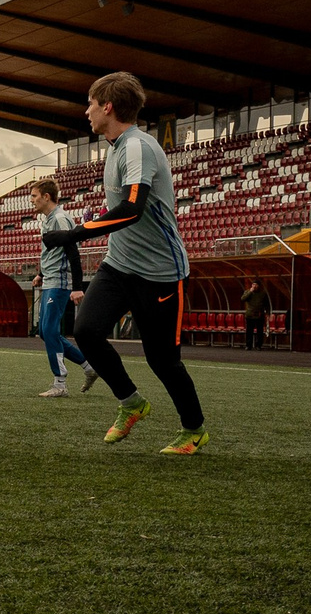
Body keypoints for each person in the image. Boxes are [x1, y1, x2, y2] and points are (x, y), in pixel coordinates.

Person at [43, 72, 207, 454]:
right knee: (86, 330)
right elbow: (120, 205)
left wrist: (74, 234)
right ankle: (132, 403)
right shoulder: (115, 147)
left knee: (162, 361)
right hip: (118, 265)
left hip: (161, 273)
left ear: (108, 107)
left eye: (90, 104)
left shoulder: (138, 147)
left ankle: (194, 429)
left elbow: (132, 209)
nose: (86, 112)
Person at [18, 177, 90, 396]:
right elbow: (53, 251)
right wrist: (40, 273)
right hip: (50, 279)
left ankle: (60, 383)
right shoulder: (50, 219)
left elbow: (73, 254)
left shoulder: (59, 219)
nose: (31, 200)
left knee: (49, 330)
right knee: (45, 332)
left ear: (46, 196)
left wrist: (78, 287)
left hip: (60, 282)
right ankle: (89, 366)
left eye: (34, 196)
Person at [241, 278, 270, 351]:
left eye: (256, 285)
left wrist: (267, 313)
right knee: (249, 331)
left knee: (260, 331)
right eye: (253, 284)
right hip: (250, 314)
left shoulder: (263, 294)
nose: (254, 286)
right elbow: (243, 299)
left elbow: (267, 304)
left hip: (260, 314)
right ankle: (248, 345)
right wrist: (250, 292)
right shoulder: (247, 292)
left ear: (259, 286)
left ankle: (258, 345)